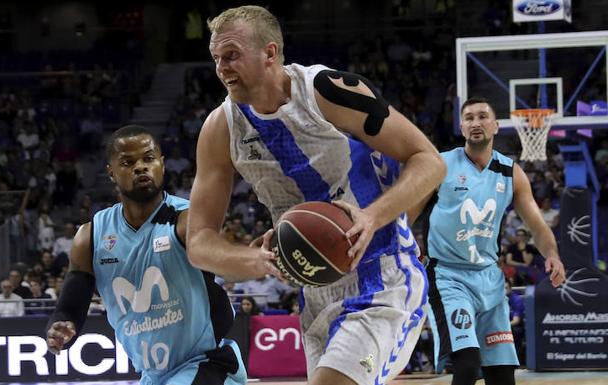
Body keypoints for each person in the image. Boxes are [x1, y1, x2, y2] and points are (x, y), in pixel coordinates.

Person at [185, 6, 445, 385]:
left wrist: (371, 217)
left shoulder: (326, 89)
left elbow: (430, 162)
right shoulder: (219, 129)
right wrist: (257, 260)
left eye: (231, 56)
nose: (221, 68)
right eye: (216, 59)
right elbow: (199, 243)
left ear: (270, 53)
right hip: (314, 290)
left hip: (382, 276)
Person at [46, 125, 247, 385]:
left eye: (148, 158)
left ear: (162, 164)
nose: (141, 167)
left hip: (208, 363)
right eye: (128, 162)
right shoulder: (91, 236)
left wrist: (257, 258)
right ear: (111, 172)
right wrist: (62, 324)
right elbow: (72, 303)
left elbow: (229, 264)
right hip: (153, 376)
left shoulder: (186, 219)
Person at [412, 97, 566, 385]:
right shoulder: (440, 165)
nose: (476, 122)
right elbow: (407, 214)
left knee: (503, 375)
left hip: (489, 279)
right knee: (468, 363)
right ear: (461, 127)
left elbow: (536, 225)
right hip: (447, 276)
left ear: (496, 126)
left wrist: (552, 255)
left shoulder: (511, 173)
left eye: (483, 116)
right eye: (469, 118)